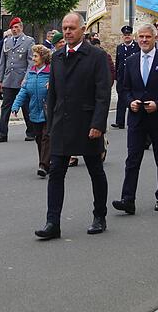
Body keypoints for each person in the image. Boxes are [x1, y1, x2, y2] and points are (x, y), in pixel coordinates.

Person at [34, 13, 111, 239]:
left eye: (72, 28)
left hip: (88, 124)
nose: (67, 32)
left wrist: (98, 124)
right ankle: (52, 223)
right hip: (61, 124)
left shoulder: (97, 56)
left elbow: (103, 94)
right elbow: (54, 93)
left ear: (83, 29)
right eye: (65, 28)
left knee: (95, 170)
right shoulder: (57, 57)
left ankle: (100, 216)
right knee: (56, 172)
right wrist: (51, 121)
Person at [111, 23, 158, 215]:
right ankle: (128, 199)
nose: (143, 40)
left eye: (147, 37)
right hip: (136, 118)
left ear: (155, 38)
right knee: (132, 159)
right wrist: (130, 101)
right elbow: (124, 88)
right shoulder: (131, 60)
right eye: (140, 37)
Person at [12, 45, 52, 178]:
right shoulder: (31, 72)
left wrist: (53, 85)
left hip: (48, 111)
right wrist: (15, 106)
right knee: (39, 138)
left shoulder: (51, 72)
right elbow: (23, 91)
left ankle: (43, 165)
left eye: (35, 56)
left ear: (43, 57)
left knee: (46, 137)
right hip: (34, 110)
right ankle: (46, 163)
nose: (33, 58)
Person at [0, 17, 35, 142]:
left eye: (17, 27)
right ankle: (2, 133)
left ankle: (31, 132)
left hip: (22, 80)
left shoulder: (28, 41)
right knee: (5, 107)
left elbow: (31, 62)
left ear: (21, 28)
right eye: (12, 27)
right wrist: (0, 80)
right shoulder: (7, 41)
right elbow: (3, 62)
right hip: (8, 79)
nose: (14, 29)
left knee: (26, 107)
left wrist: (26, 78)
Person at [112, 25, 140, 129]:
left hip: (133, 77)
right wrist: (116, 76)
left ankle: (134, 121)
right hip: (122, 77)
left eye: (128, 34)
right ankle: (120, 122)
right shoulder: (120, 47)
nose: (127, 36)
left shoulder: (137, 46)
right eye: (125, 35)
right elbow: (118, 62)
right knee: (121, 99)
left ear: (132, 35)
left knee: (134, 99)